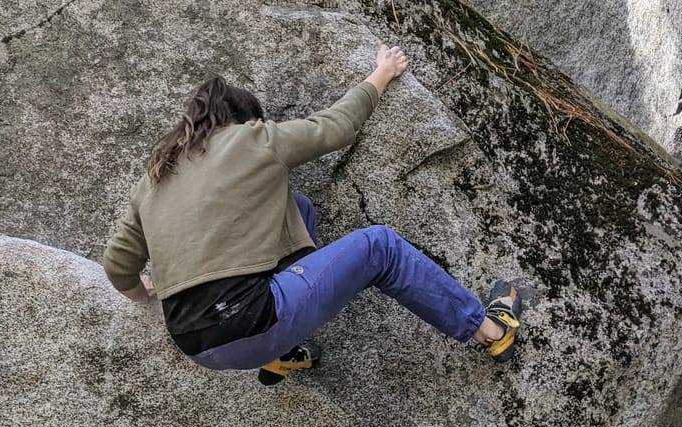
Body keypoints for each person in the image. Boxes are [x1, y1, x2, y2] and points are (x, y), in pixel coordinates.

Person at [103, 44, 522, 385]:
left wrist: (146, 293)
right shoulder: (253, 138)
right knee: (379, 246)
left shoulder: (156, 177)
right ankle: (491, 330)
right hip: (255, 321)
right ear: (249, 121)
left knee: (297, 208)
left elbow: (117, 266)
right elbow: (337, 126)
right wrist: (382, 72)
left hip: (195, 345)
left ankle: (281, 356)